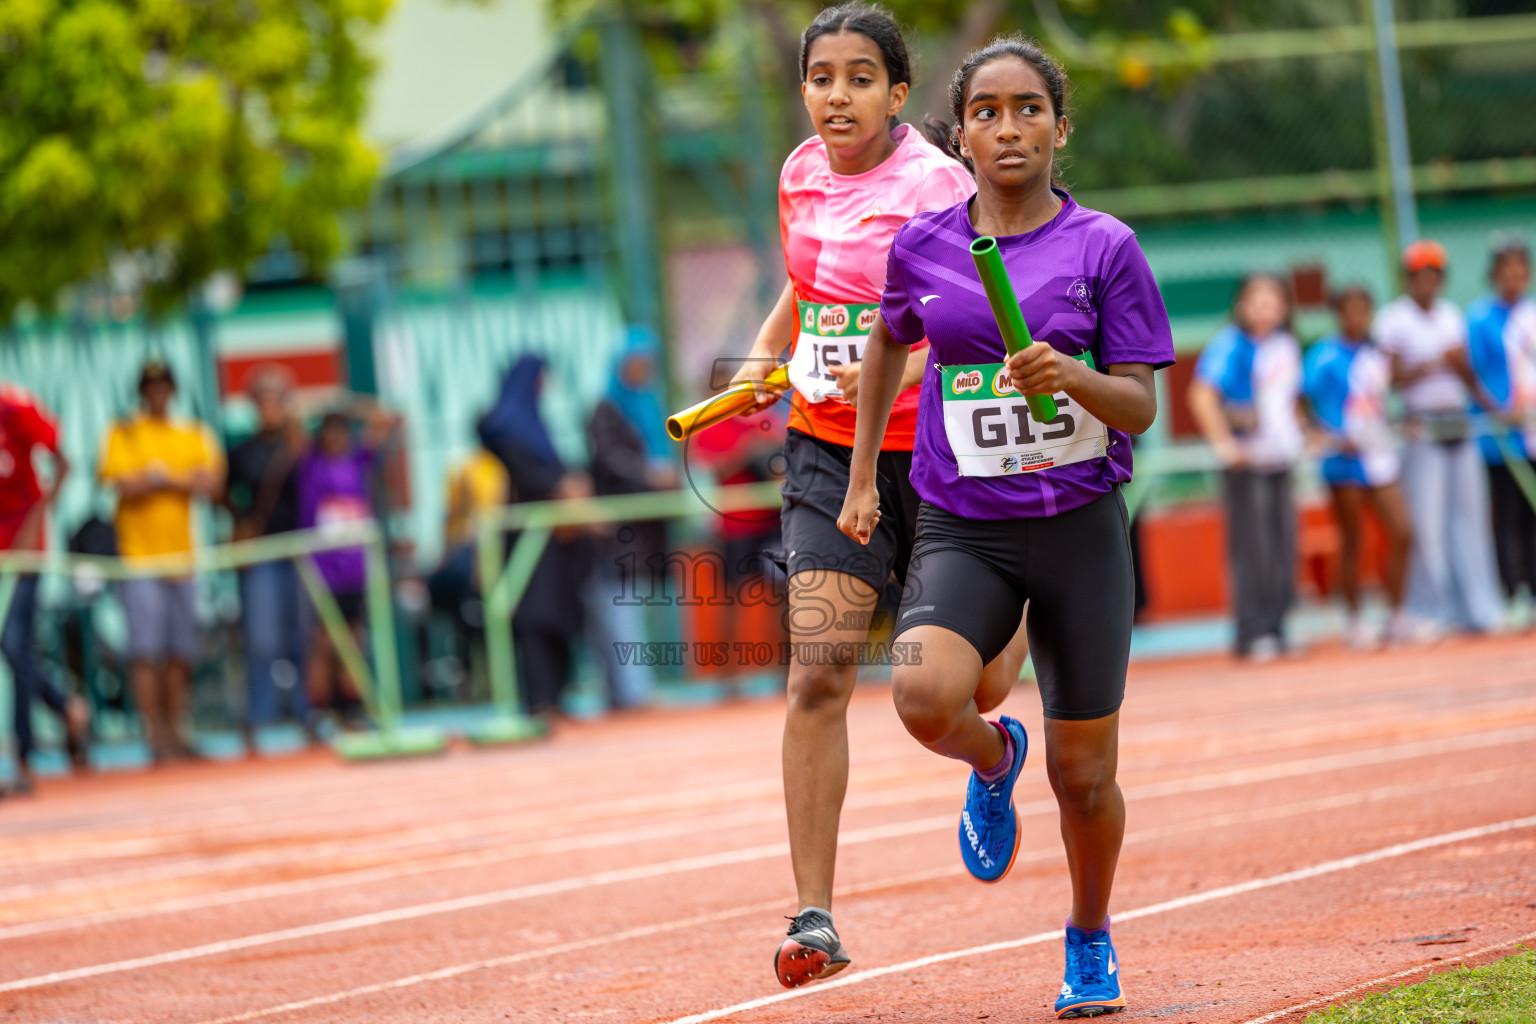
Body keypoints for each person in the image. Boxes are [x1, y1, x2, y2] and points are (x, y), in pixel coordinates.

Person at [838, 36, 1174, 1018]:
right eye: (987, 111)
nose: (1009, 126)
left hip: (1077, 528)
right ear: (962, 134)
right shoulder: (928, 246)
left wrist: (1071, 375)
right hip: (965, 524)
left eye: (1029, 108)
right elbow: (887, 341)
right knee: (922, 695)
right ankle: (993, 757)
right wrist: (862, 474)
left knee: (1086, 776)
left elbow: (1142, 406)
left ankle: (1089, 934)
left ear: (1059, 127)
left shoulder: (1104, 247)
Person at [729, 3, 1027, 989]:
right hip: (823, 452)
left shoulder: (942, 187)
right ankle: (814, 914)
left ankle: (993, 755)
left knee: (964, 693)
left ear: (898, 94)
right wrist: (767, 357)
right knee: (817, 671)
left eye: (860, 78)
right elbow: (806, 284)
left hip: (936, 453)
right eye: (821, 78)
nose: (836, 96)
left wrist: (883, 382)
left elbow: (974, 325)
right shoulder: (798, 174)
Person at [98, 360, 224, 764]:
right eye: (151, 386)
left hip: (181, 558)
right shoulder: (126, 432)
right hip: (139, 560)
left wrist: (160, 478)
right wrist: (172, 479)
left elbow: (212, 483)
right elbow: (119, 481)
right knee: (145, 650)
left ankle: (177, 730)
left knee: (180, 650)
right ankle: (155, 736)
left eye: (164, 386)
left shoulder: (190, 433)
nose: (158, 393)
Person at [1375, 240, 1503, 634]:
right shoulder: (1393, 320)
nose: (1426, 282)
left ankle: (1478, 607)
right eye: (1418, 275)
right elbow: (1390, 379)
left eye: (1433, 275)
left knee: (1469, 517)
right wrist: (1433, 363)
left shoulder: (1451, 315)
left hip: (1458, 422)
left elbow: (1465, 372)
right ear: (1407, 279)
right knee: (1426, 522)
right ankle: (1432, 608)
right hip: (1421, 426)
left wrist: (1491, 405)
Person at [1187, 274, 1304, 659]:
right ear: (1241, 305)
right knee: (1255, 551)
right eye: (1256, 300)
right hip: (1247, 462)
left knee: (1284, 546)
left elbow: (1291, 402)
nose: (1264, 308)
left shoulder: (1286, 346)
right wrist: (1224, 443)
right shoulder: (1231, 344)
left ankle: (1277, 625)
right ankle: (1252, 631)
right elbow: (1202, 395)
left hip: (1281, 459)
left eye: (1273, 300)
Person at [1301, 286, 1415, 647]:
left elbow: (1380, 399)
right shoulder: (1323, 355)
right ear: (1337, 313)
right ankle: (1353, 621)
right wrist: (1322, 434)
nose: (1355, 316)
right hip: (1342, 459)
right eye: (1348, 309)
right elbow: (1301, 400)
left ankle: (1395, 615)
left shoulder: (1376, 354)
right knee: (1352, 540)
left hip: (1377, 453)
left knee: (1403, 532)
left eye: (1362, 308)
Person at [478, 355, 591, 718]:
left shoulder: (535, 425)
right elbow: (530, 471)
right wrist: (561, 485)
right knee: (535, 618)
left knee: (558, 616)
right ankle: (538, 700)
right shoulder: (506, 427)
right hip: (526, 538)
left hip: (553, 541)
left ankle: (555, 697)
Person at [0, 384, 89, 793]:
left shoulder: (14, 406)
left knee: (13, 643)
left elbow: (64, 463)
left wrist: (35, 524)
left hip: (21, 548)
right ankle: (66, 706)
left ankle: (22, 754)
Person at [225, 367, 316, 752]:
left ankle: (306, 710)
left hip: (297, 548)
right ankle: (258, 718)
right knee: (263, 639)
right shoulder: (242, 452)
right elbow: (227, 496)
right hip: (262, 550)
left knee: (302, 634)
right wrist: (243, 525)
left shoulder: (298, 447)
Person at [586, 327, 675, 710]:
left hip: (647, 529)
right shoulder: (605, 410)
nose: (644, 370)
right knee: (619, 606)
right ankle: (629, 688)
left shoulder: (649, 404)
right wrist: (648, 476)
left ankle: (630, 687)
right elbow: (611, 460)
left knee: (636, 605)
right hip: (620, 528)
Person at [295, 402, 396, 729]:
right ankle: (318, 711)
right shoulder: (311, 464)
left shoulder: (357, 461)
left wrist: (350, 405)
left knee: (353, 640)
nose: (336, 436)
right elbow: (292, 419)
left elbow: (387, 419)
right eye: (330, 429)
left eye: (341, 429)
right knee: (322, 642)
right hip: (323, 569)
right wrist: (329, 400)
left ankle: (351, 709)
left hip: (356, 567)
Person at [1466, 236, 1536, 607]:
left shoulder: (1532, 314)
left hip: (1532, 428)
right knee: (1508, 512)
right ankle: (1514, 590)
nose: (1513, 278)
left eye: (1519, 271)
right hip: (1500, 435)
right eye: (1505, 272)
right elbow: (1472, 374)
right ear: (1494, 275)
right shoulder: (1479, 318)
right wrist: (1497, 410)